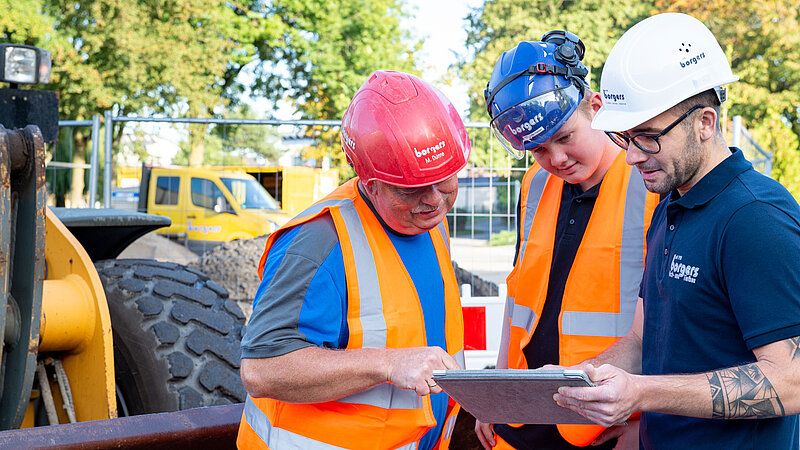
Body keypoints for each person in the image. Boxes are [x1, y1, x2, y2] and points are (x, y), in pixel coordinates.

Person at [554, 12, 800, 449]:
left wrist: (643, 392)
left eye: (648, 136)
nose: (631, 157)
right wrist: (583, 377)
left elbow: (793, 381)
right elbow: (644, 338)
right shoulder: (670, 206)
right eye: (625, 138)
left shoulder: (755, 218)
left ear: (705, 122)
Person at [236, 70, 472, 450]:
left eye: (445, 179)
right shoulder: (318, 243)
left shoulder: (430, 225)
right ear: (371, 182)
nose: (433, 200)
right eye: (410, 189)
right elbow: (262, 370)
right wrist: (387, 364)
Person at [475, 31, 660, 450]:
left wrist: (646, 421)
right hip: (525, 412)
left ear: (596, 107)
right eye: (538, 149)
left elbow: (670, 321)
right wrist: (495, 394)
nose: (555, 159)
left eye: (564, 137)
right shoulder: (536, 184)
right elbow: (517, 293)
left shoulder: (649, 184)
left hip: (604, 422)